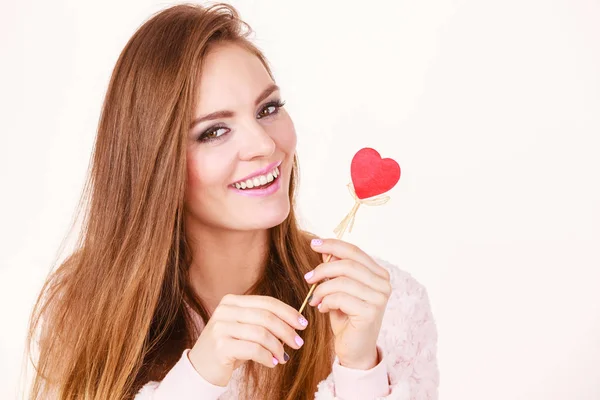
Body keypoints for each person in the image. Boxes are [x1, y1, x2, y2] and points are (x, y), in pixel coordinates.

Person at [24, 3, 439, 399]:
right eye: (214, 131)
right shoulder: (85, 306)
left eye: (268, 108)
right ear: (155, 163)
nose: (263, 144)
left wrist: (359, 369)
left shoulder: (388, 306)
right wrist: (199, 375)